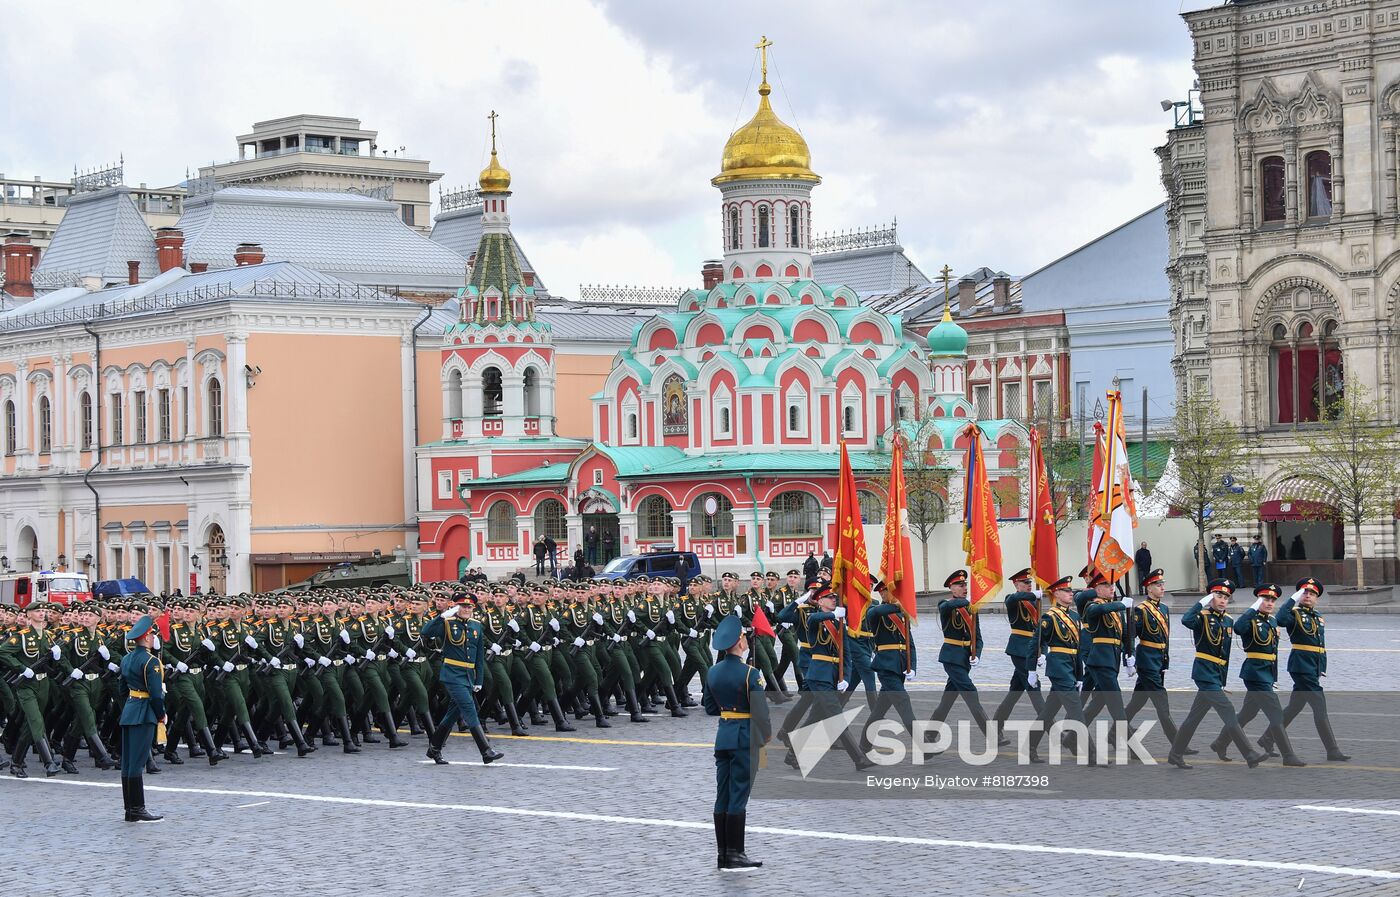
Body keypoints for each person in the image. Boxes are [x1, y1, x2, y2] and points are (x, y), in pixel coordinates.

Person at [1166, 579, 1267, 769]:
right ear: (1211, 597)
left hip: (1216, 675)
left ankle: (1175, 754)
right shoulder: (1202, 617)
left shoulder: (1228, 620)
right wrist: (1201, 602)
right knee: (1228, 710)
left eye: (1226, 597)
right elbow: (1186, 620)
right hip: (1204, 673)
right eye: (1218, 596)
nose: (1222, 600)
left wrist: (1222, 681)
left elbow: (1224, 653)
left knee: (1194, 717)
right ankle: (1249, 754)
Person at [1210, 583, 1306, 766]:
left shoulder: (1272, 621)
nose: (1269, 603)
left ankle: (1221, 742)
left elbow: (1273, 652)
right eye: (1265, 599)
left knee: (1248, 713)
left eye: (1272, 600)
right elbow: (1238, 628)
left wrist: (1273, 677)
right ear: (1258, 601)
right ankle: (1288, 755)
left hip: (1266, 674)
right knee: (1276, 714)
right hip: (1255, 674)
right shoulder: (1250, 619)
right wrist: (1252, 608)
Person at [704, 614, 771, 871]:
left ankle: (722, 854)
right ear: (739, 642)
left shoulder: (713, 671)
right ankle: (735, 853)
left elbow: (710, 707)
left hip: (723, 735)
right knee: (739, 794)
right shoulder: (750, 674)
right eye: (743, 637)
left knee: (722, 794)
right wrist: (765, 735)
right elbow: (761, 712)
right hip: (745, 737)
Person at [1260, 577, 1349, 761]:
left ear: (1317, 598)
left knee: (1295, 706)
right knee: (1319, 706)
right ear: (1299, 595)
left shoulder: (1317, 616)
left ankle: (1268, 737)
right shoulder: (1294, 614)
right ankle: (1332, 750)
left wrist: (1321, 667)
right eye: (1304, 592)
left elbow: (1320, 645)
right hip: (1301, 666)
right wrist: (1292, 599)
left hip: (1312, 667)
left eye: (1312, 593)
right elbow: (1280, 619)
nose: (1308, 595)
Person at [422, 593, 504, 765]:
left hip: (468, 675)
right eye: (463, 606)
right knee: (469, 708)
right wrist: (442, 616)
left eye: (469, 606)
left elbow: (479, 655)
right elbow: (426, 632)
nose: (466, 609)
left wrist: (479, 679)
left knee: (452, 714)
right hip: (452, 674)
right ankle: (486, 750)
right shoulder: (448, 622)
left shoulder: (476, 625)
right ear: (456, 607)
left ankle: (434, 748)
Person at [926, 570, 1003, 746]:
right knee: (971, 693)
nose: (964, 588)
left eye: (965, 585)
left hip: (964, 660)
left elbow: (978, 637)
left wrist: (978, 655)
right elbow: (948, 606)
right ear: (951, 588)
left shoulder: (971, 608)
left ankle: (930, 733)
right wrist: (971, 601)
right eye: (960, 585)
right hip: (951, 658)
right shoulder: (945, 604)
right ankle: (992, 736)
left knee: (947, 700)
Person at [119, 614, 165, 822]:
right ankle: (137, 808)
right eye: (152, 634)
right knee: (137, 762)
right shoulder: (151, 661)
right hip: (144, 712)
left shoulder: (126, 658)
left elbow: (122, 689)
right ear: (146, 637)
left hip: (130, 710)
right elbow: (155, 695)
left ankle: (130, 809)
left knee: (128, 762)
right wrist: (161, 714)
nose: (154, 637)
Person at [990, 568, 1046, 729]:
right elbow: (1016, 597)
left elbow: (1041, 630)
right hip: (1019, 649)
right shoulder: (1012, 599)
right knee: (1034, 687)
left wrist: (1044, 652)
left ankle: (995, 728)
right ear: (1016, 584)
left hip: (1032, 649)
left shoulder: (1035, 602)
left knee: (1014, 693)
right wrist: (1033, 595)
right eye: (1025, 582)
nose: (1029, 585)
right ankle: (1054, 731)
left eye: (1030, 582)